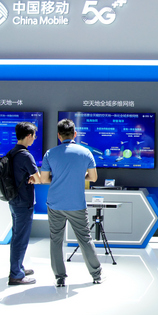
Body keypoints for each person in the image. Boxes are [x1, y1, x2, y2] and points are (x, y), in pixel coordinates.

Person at [40, 119, 102, 287]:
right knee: (85, 238)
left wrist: (58, 178)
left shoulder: (50, 154)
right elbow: (93, 178)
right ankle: (96, 275)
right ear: (75, 134)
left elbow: (44, 179)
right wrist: (79, 176)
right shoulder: (86, 152)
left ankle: (60, 277)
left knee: (56, 240)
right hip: (77, 204)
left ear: (59, 135)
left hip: (55, 203)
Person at [7, 122, 41, 286]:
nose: (35, 138)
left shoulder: (12, 152)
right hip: (24, 202)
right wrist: (34, 178)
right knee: (20, 239)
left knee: (17, 236)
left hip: (14, 200)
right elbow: (39, 178)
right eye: (34, 135)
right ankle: (16, 275)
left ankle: (18, 267)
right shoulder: (26, 156)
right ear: (28, 135)